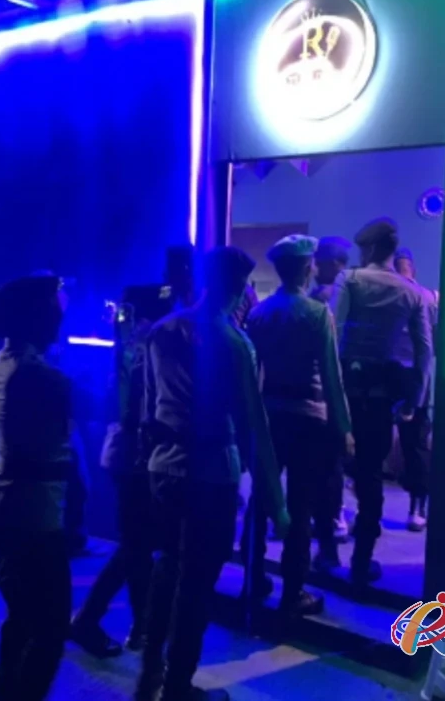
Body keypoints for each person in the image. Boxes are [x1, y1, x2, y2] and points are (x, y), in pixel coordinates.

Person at [136, 247, 289, 701]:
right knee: (198, 584)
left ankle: (150, 672)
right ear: (238, 288)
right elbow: (253, 426)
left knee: (167, 568)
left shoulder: (162, 330)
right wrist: (276, 502)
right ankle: (178, 686)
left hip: (163, 467)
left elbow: (148, 405)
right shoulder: (233, 343)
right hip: (211, 473)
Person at [244, 235, 354, 616]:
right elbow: (332, 376)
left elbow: (252, 372)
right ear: (307, 268)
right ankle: (293, 591)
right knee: (301, 504)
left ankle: (253, 579)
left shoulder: (258, 314)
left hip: (270, 416)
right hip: (309, 419)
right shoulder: (318, 313)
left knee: (261, 500)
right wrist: (344, 427)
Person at [0, 274, 73, 701]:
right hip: (32, 513)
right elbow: (105, 405)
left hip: (5, 503)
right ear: (40, 317)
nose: (63, 315)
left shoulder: (4, 359)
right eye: (58, 307)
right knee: (51, 626)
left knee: (21, 615)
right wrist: (125, 349)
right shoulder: (38, 375)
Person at [69, 284, 173, 658]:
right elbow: (133, 409)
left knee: (138, 546)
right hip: (135, 455)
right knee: (135, 546)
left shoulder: (132, 344)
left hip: (127, 452)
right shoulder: (143, 346)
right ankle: (91, 620)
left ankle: (138, 626)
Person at [330, 219, 433, 587]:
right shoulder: (413, 293)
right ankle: (362, 561)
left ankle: (326, 553)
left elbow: (333, 333)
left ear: (370, 249)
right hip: (380, 400)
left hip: (344, 394)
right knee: (372, 477)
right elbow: (424, 352)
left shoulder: (351, 280)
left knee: (332, 470)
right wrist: (413, 400)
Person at [311, 236, 354, 543]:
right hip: (323, 387)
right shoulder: (321, 295)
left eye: (321, 262)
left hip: (330, 384)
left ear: (336, 264)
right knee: (324, 460)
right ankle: (329, 514)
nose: (315, 268)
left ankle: (334, 514)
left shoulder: (334, 296)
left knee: (331, 459)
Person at [393, 248, 438, 531]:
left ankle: (417, 505)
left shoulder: (423, 296)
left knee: (414, 444)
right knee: (413, 444)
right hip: (404, 373)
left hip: (405, 374)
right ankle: (416, 507)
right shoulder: (424, 296)